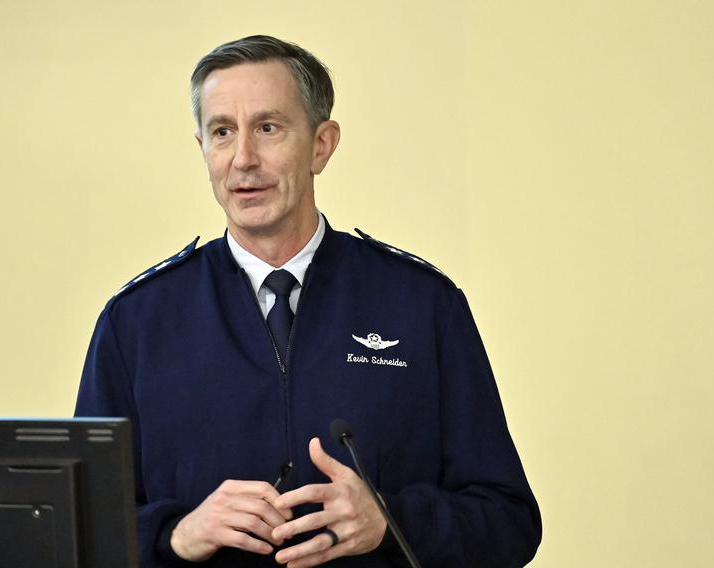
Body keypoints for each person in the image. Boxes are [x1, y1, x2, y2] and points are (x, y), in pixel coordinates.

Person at [75, 35, 542, 567]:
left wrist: (389, 520)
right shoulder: (137, 320)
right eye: (222, 132)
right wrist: (176, 535)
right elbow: (79, 535)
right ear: (202, 148)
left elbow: (509, 523)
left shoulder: (423, 304)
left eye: (268, 128)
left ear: (321, 144)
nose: (243, 159)